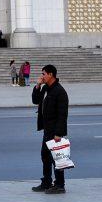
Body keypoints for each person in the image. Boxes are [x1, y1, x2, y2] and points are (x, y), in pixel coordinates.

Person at [31, 64, 69, 194]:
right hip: (47, 129)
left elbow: (62, 115)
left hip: (54, 132)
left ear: (50, 74)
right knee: (45, 156)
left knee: (57, 158)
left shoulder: (60, 92)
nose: (42, 76)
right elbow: (35, 100)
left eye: (43, 74)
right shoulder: (46, 88)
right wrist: (37, 86)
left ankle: (59, 185)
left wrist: (59, 133)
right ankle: (46, 182)